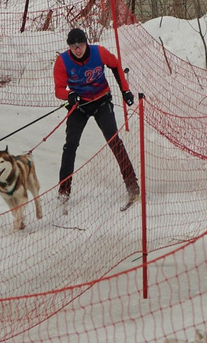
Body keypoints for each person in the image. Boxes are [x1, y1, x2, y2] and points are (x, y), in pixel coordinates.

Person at [51, 26, 140, 210]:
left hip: (101, 101)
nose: (78, 49)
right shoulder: (63, 61)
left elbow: (115, 65)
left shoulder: (99, 53)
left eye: (81, 45)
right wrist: (69, 95)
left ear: (86, 43)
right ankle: (64, 190)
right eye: (74, 46)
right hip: (80, 106)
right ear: (69, 47)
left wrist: (125, 91)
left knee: (114, 141)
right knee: (70, 145)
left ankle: (132, 185)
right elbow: (58, 89)